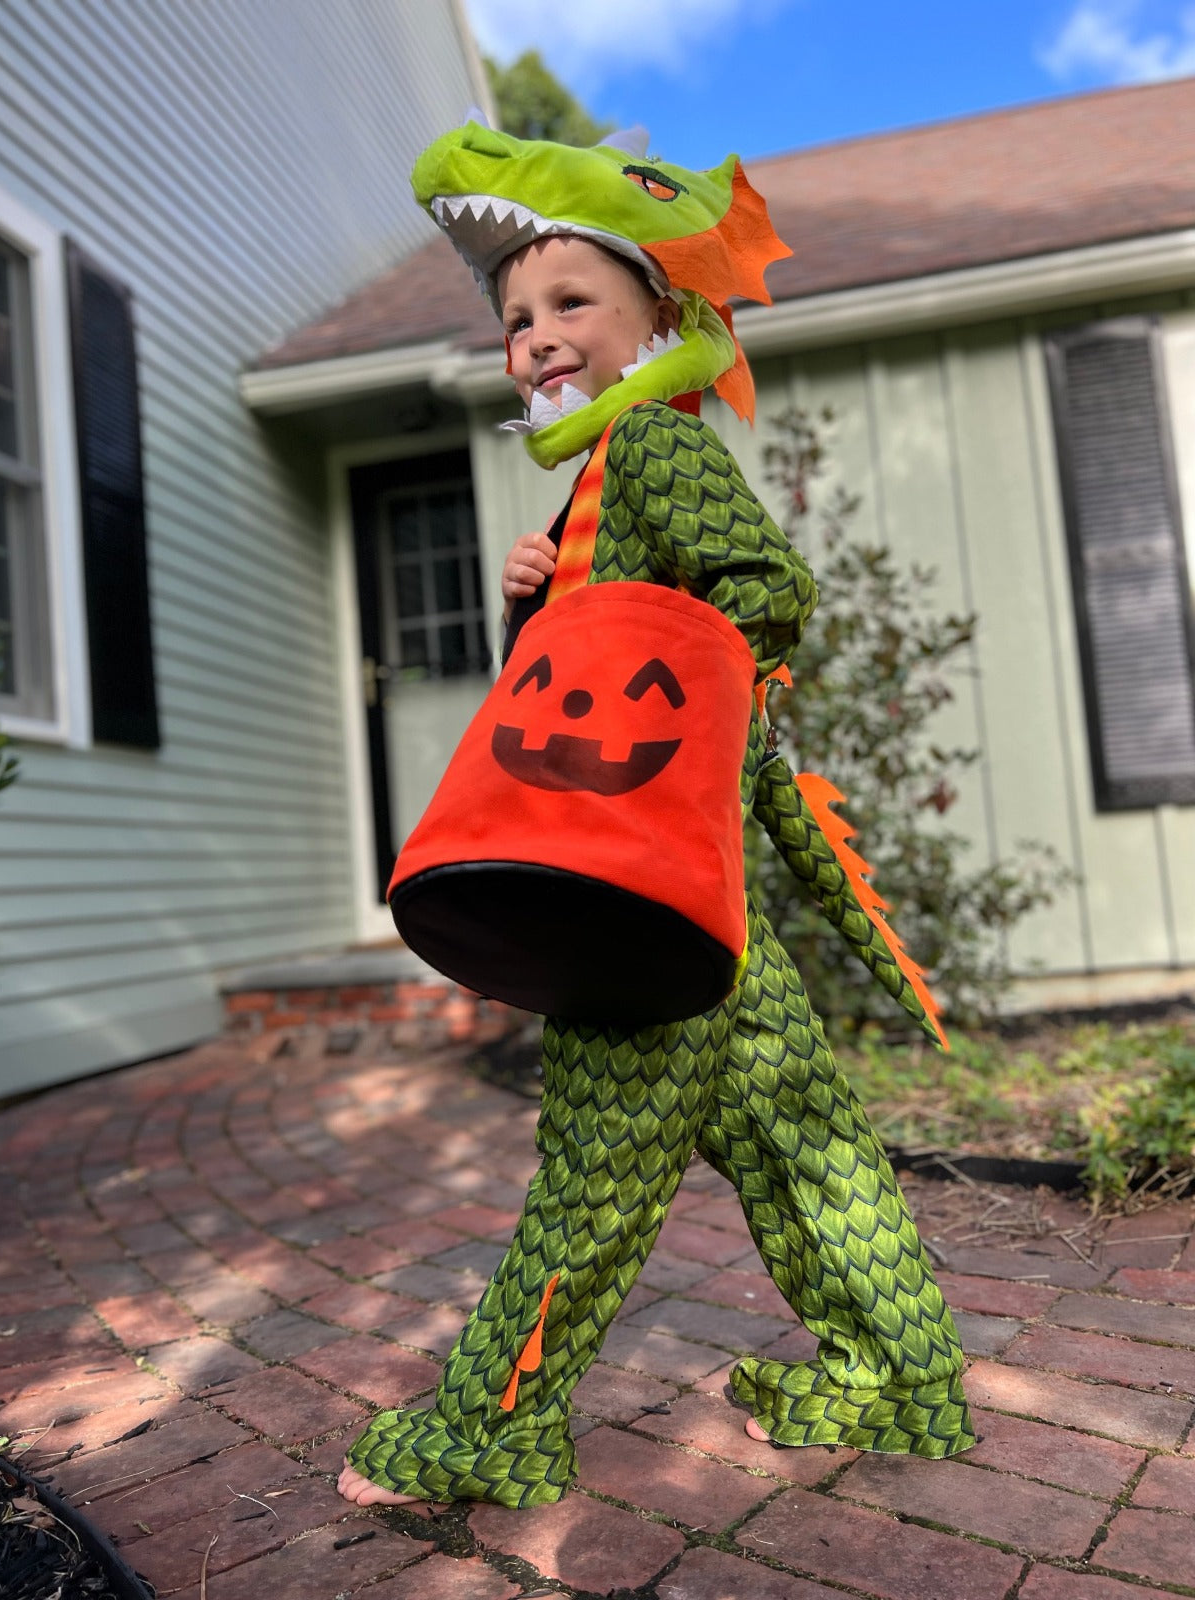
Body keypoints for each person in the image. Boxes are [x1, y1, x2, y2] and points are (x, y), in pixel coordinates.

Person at [338, 121, 974, 1510]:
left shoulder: (658, 456)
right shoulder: (598, 483)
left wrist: (688, 710)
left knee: (593, 1177)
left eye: (571, 303)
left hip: (642, 886)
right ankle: (896, 1371)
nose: (538, 336)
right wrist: (537, 602)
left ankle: (492, 1425)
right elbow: (577, 691)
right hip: (708, 890)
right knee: (800, 1137)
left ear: (657, 318)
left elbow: (762, 592)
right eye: (517, 320)